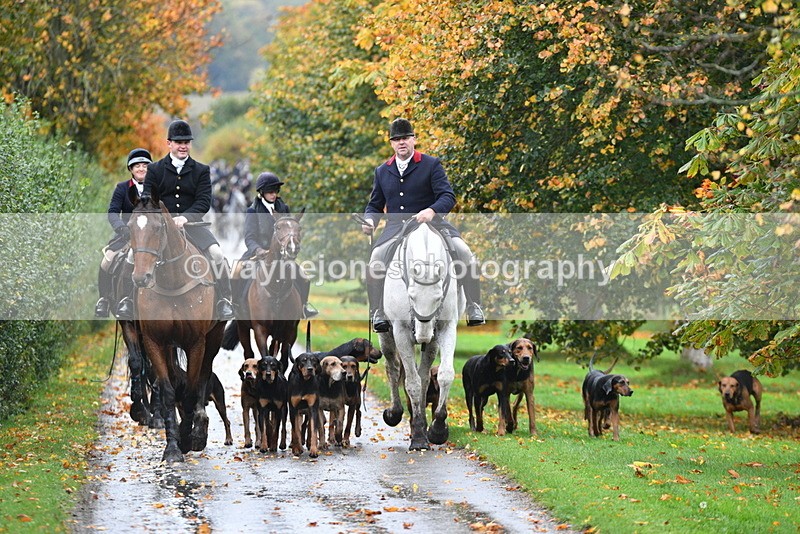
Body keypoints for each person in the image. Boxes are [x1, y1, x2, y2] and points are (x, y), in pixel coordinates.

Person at [361, 118, 485, 332]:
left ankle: (474, 306)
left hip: (433, 225)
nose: (401, 143)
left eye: (406, 138)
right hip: (396, 228)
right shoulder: (382, 171)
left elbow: (447, 196)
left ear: (414, 140)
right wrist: (370, 220)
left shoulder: (431, 164)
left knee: (464, 252)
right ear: (391, 143)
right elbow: (375, 204)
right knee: (376, 260)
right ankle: (377, 312)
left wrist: (432, 210)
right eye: (397, 139)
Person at [133, 119, 235, 321]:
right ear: (169, 143)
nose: (183, 146)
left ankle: (225, 301)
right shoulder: (155, 169)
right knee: (131, 258)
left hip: (193, 227)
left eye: (187, 142)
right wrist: (166, 220)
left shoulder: (201, 170)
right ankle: (128, 303)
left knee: (216, 255)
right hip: (159, 228)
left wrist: (184, 218)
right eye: (179, 142)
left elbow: (204, 202)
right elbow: (147, 200)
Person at [236, 171, 318, 318]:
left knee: (304, 276)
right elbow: (249, 237)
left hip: (282, 255)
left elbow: (289, 230)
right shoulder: (253, 210)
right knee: (235, 271)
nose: (274, 194)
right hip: (258, 253)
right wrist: (258, 250)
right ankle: (235, 306)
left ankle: (304, 307)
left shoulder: (283, 208)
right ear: (262, 192)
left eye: (276, 191)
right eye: (270, 191)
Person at [94, 148, 152, 318]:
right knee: (107, 260)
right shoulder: (122, 188)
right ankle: (104, 299)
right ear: (131, 169)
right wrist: (122, 228)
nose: (141, 169)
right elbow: (112, 212)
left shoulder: (157, 189)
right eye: (137, 166)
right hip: (126, 235)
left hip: (151, 237)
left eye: (145, 166)